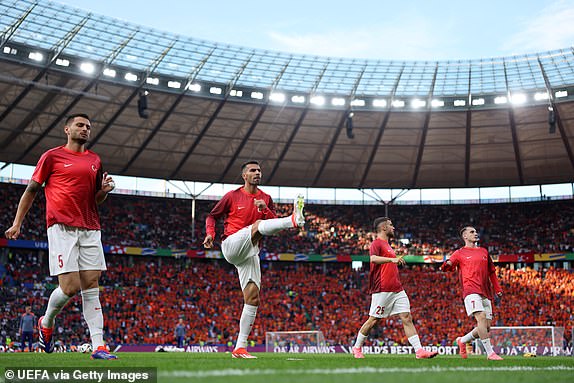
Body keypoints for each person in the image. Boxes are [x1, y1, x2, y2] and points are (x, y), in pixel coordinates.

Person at [5, 113, 117, 360]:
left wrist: (105, 191)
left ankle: (99, 346)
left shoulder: (94, 160)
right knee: (70, 287)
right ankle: (47, 321)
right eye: (79, 125)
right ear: (67, 129)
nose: (85, 129)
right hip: (61, 227)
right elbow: (31, 190)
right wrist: (17, 223)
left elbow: (95, 199)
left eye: (88, 126)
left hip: (90, 227)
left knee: (91, 285)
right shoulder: (52, 156)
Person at [203, 160, 305, 359]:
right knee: (258, 224)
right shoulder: (232, 196)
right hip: (231, 244)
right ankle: (294, 219)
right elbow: (211, 216)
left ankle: (239, 348)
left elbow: (273, 224)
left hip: (250, 250)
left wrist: (264, 208)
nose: (257, 173)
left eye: (259, 170)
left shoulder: (266, 197)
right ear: (244, 176)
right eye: (252, 170)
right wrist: (210, 234)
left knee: (253, 298)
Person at [351, 217, 438, 359]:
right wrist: (392, 259)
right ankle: (357, 347)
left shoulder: (388, 245)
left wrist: (394, 260)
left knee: (406, 317)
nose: (394, 228)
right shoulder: (377, 243)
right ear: (384, 228)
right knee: (374, 320)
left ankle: (419, 351)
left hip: (397, 288)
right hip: (382, 288)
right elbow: (372, 259)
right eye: (391, 225)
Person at [440, 225, 504, 360]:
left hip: (486, 291)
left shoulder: (484, 252)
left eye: (475, 231)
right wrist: (447, 264)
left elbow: (491, 271)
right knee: (480, 317)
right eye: (472, 232)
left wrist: (497, 288)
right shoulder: (459, 253)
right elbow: (447, 267)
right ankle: (490, 353)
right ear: (465, 236)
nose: (475, 233)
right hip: (470, 290)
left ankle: (462, 340)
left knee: (485, 327)